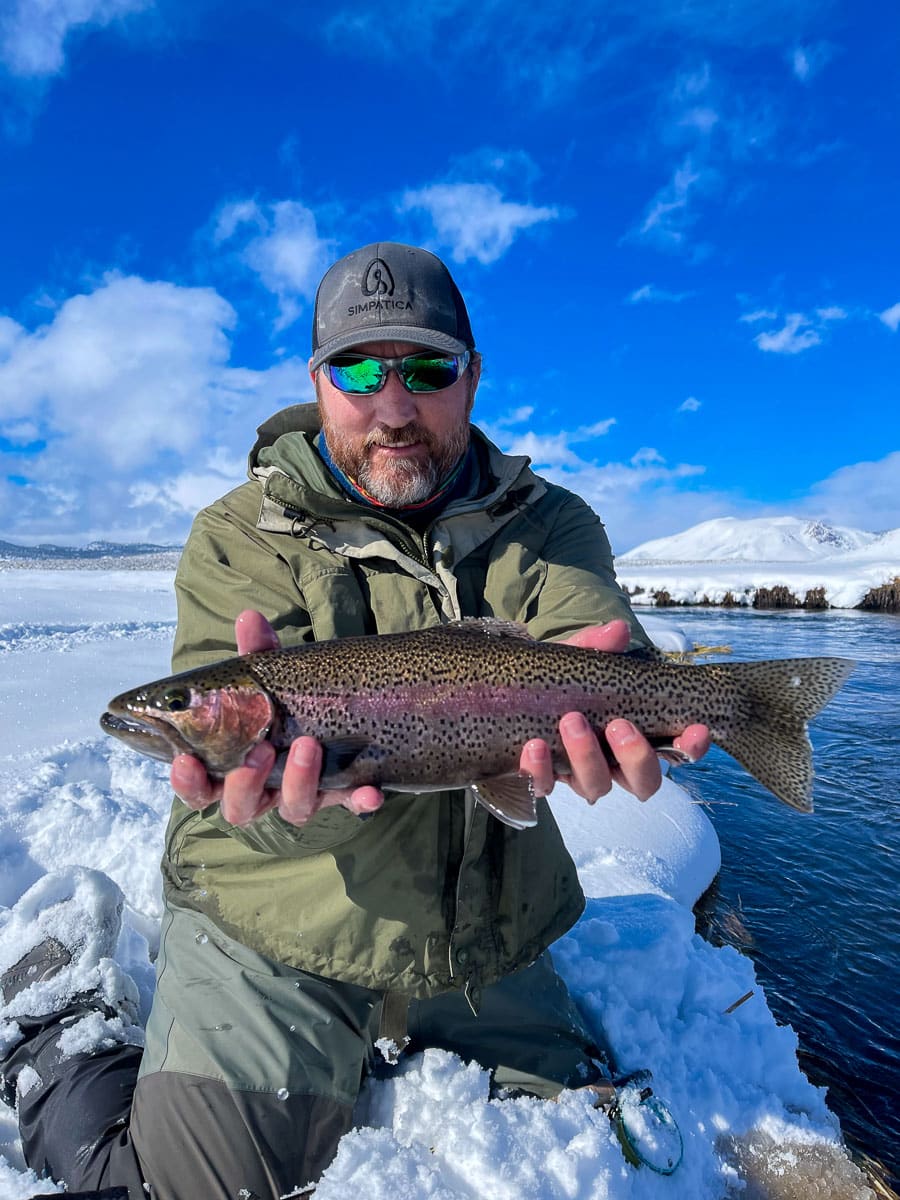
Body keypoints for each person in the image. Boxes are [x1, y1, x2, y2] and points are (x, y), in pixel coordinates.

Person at [0, 242, 709, 1199]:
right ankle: (61, 1029)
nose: (393, 405)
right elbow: (229, 774)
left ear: (473, 377)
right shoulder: (238, 533)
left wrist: (630, 701)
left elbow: (589, 638)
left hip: (488, 933)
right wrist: (279, 776)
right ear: (317, 382)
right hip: (278, 914)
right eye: (360, 370)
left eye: (426, 368)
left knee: (579, 1161)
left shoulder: (553, 522)